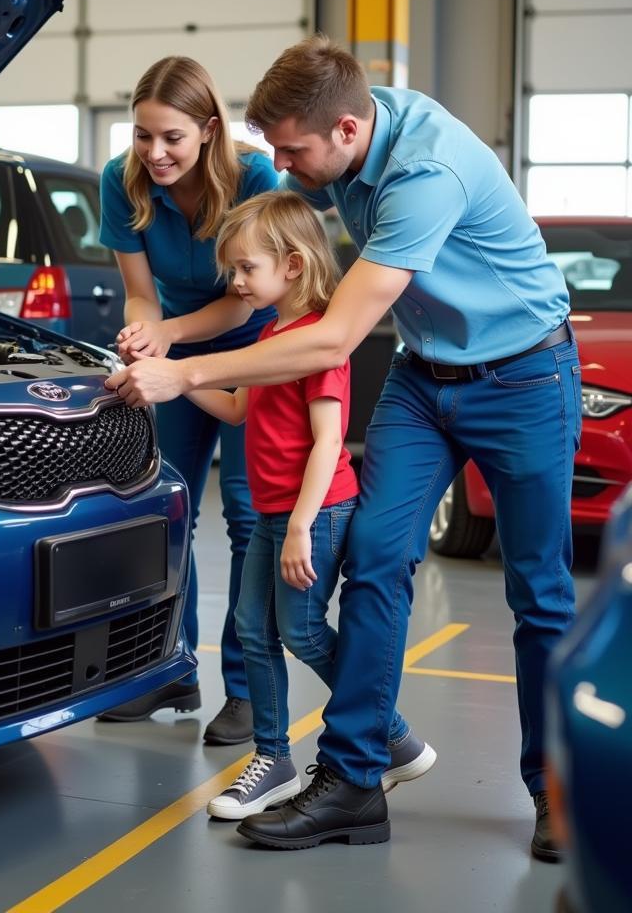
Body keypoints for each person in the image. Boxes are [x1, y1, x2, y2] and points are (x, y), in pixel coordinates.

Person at [105, 35, 578, 859]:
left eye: (292, 151)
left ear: (349, 132)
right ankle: (356, 777)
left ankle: (558, 788)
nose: (281, 167)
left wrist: (187, 375)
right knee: (374, 559)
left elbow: (334, 340)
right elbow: (273, 248)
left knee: (539, 594)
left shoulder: (425, 175)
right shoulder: (341, 134)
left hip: (524, 378)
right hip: (425, 377)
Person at [187, 191, 434, 821]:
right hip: (275, 512)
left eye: (246, 268)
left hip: (314, 514)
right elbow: (241, 408)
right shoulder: (271, 334)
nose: (237, 282)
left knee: (297, 629)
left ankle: (390, 729)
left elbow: (329, 441)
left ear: (292, 265)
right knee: (253, 628)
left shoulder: (319, 342)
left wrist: (300, 526)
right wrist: (179, 378)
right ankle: (274, 760)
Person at [95, 56, 279, 744]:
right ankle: (168, 668)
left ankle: (248, 690)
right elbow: (141, 289)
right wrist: (146, 330)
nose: (155, 152)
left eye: (171, 137)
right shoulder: (123, 180)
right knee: (162, 507)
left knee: (246, 514)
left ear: (207, 129)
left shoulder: (255, 178)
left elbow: (241, 307)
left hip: (253, 348)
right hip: (175, 345)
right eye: (143, 135)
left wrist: (165, 337)